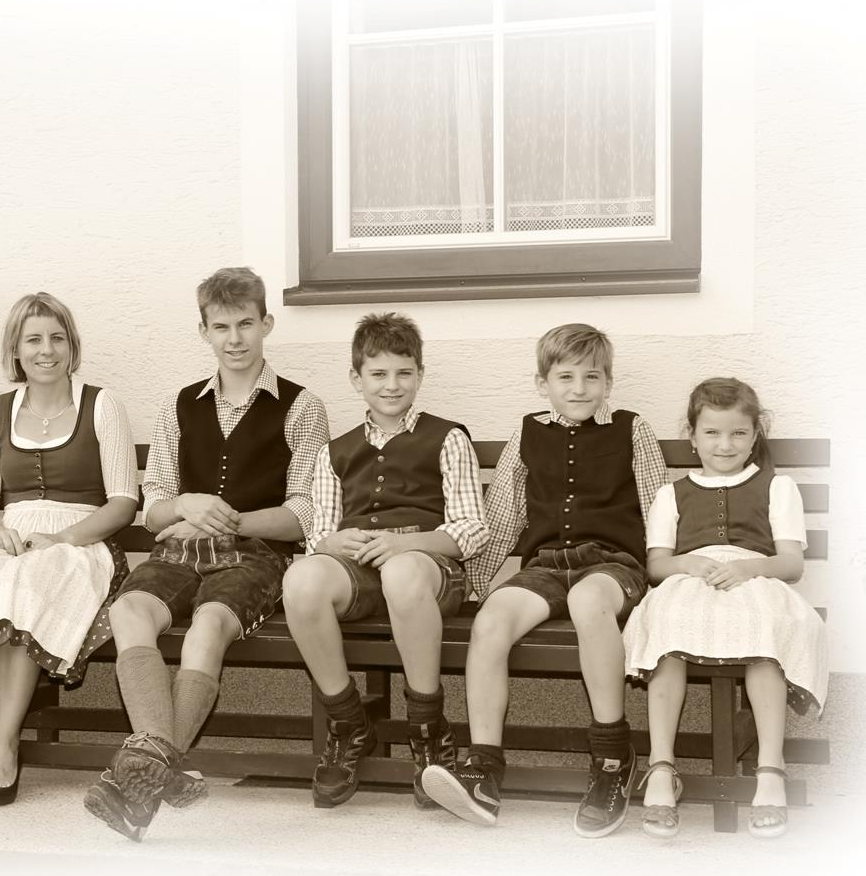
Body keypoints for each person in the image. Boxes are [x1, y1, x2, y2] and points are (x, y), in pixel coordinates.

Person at [82, 267, 329, 841]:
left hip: (254, 555)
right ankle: (159, 767)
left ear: (266, 324)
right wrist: (185, 503)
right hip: (179, 548)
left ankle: (140, 771)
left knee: (208, 625)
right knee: (128, 610)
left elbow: (307, 511)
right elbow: (153, 507)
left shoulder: (302, 406)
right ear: (204, 331)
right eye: (221, 327)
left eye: (246, 324)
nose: (235, 338)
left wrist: (234, 519)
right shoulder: (180, 405)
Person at [421, 323, 668, 838]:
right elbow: (504, 514)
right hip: (546, 565)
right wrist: (477, 584)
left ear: (608, 382)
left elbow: (657, 509)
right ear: (543, 383)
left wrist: (666, 590)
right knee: (492, 620)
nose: (579, 388)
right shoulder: (527, 434)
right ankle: (483, 767)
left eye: (592, 377)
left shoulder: (632, 429)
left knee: (587, 601)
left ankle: (612, 757)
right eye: (565, 377)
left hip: (613, 564)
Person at [0, 293, 137, 806]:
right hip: (13, 532)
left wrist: (63, 538)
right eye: (34, 340)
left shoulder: (101, 404)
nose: (47, 350)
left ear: (72, 345)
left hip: (80, 539)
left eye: (57, 338)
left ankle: (4, 746)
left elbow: (123, 502)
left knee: (29, 578)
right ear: (16, 350)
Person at [285, 312, 486, 809]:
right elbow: (319, 533)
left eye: (403, 373)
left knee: (400, 570)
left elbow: (471, 528)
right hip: (358, 572)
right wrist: (333, 543)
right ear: (357, 379)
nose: (391, 385)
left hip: (429, 574)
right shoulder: (334, 452)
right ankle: (348, 722)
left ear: (420, 375)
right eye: (378, 373)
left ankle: (426, 726)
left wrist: (408, 543)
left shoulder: (448, 438)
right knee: (301, 580)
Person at [623, 378, 827, 839]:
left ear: (755, 435)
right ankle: (662, 767)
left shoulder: (778, 487)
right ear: (692, 436)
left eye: (738, 433)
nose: (725, 444)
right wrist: (690, 564)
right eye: (712, 432)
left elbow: (791, 564)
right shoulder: (671, 493)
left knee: (764, 629)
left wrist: (748, 570)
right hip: (690, 579)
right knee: (666, 627)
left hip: (756, 577)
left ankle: (771, 770)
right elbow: (657, 565)